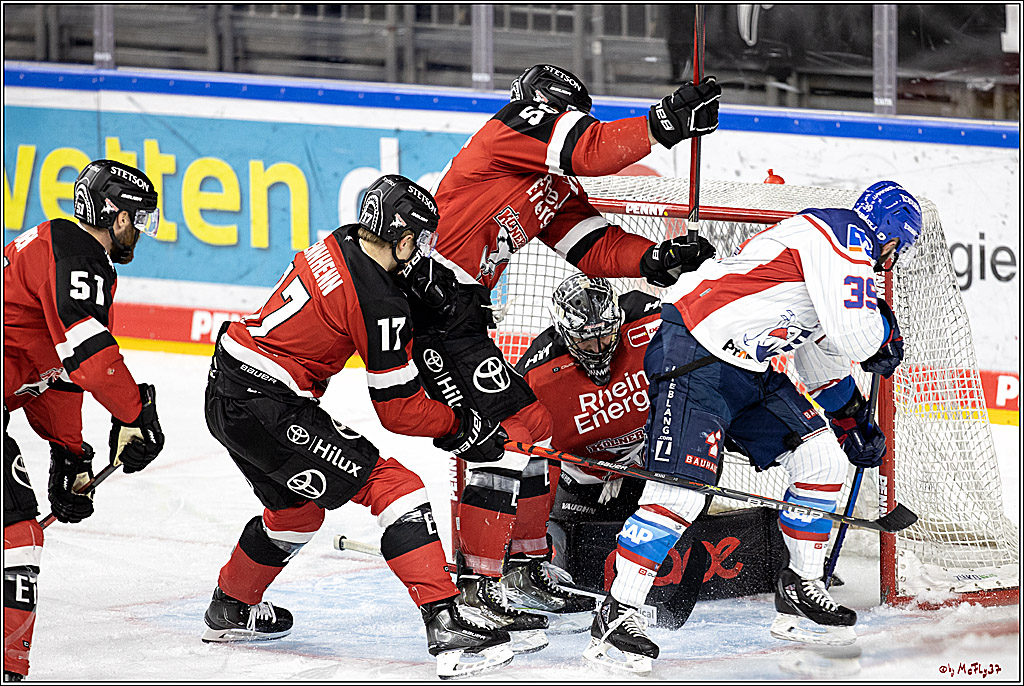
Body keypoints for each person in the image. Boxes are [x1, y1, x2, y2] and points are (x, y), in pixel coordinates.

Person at [408, 63, 720, 648]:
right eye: (567, 115)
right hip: (434, 309)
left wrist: (657, 260)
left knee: (533, 430)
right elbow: (594, 150)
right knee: (505, 438)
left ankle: (522, 570)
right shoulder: (510, 129)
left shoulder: (546, 178)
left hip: (461, 314)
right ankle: (478, 588)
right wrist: (666, 122)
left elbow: (593, 245)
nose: (573, 124)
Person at [584, 181, 922, 674]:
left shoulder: (833, 271)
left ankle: (801, 587)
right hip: (694, 354)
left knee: (821, 455)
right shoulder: (844, 235)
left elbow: (817, 356)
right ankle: (618, 613)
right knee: (681, 494)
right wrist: (883, 333)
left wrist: (850, 416)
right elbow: (859, 334)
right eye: (899, 246)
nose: (893, 256)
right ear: (892, 234)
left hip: (744, 370)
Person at [201, 175, 515, 679]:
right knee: (395, 486)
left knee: (296, 515)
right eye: (423, 240)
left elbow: (367, 288)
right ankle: (444, 620)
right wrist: (462, 423)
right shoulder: (379, 305)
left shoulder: (344, 238)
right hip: (270, 405)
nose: (425, 251)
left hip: (228, 390)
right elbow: (399, 411)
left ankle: (231, 604)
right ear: (405, 238)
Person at [4, 159, 166, 681]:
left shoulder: (62, 250)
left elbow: (52, 369)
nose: (138, 233)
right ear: (116, 216)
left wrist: (69, 451)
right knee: (19, 537)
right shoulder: (78, 255)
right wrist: (136, 412)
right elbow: (90, 360)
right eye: (137, 220)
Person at [514, 274, 658, 575]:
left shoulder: (649, 321)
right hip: (582, 477)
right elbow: (519, 445)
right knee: (551, 530)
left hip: (651, 463)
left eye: (605, 334)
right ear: (564, 333)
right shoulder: (537, 372)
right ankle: (533, 568)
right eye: (584, 338)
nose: (597, 347)